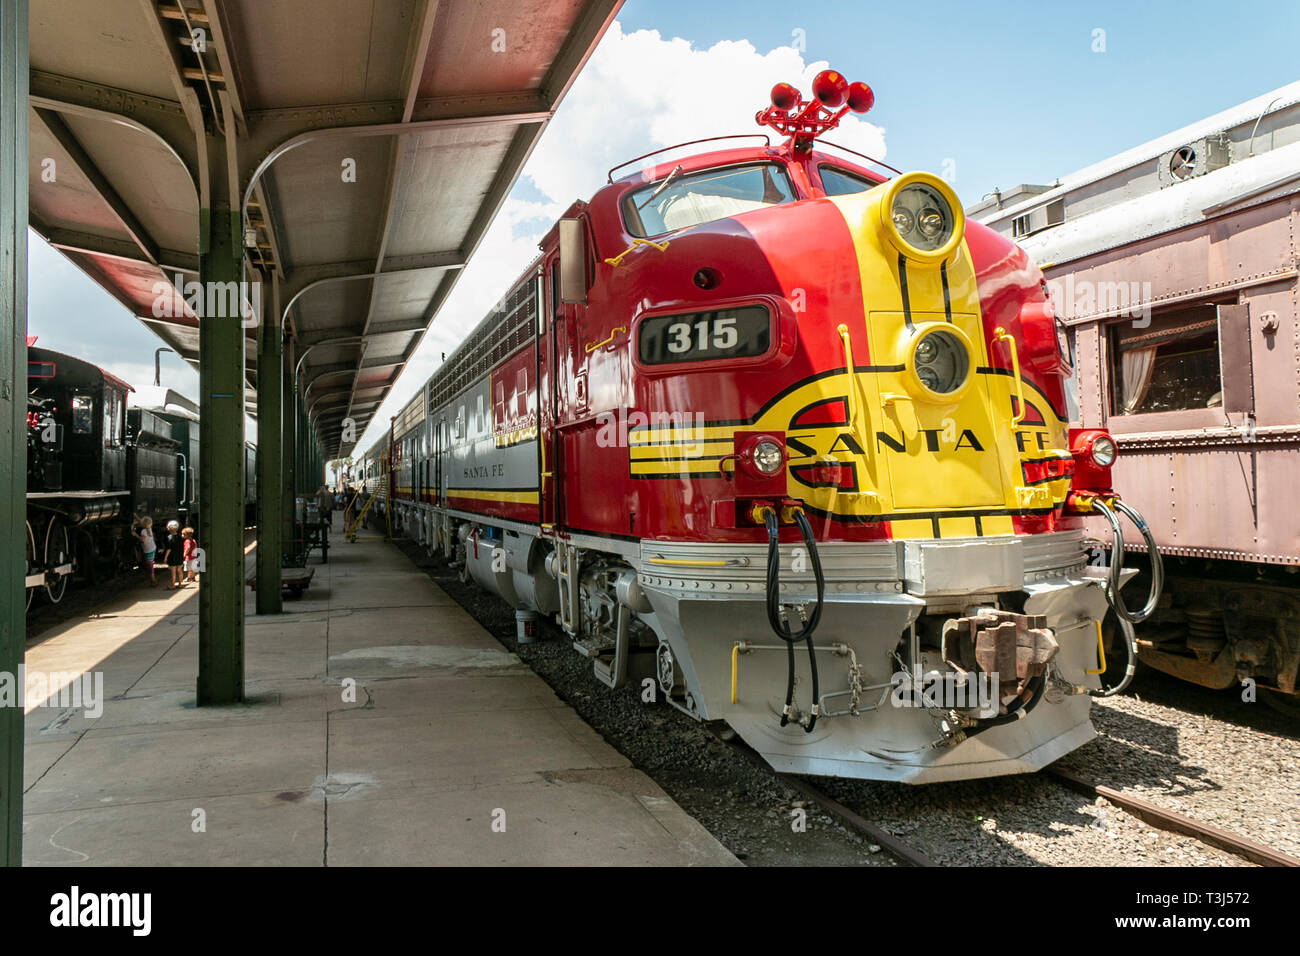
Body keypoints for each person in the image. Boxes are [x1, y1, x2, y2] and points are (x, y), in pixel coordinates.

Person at [162, 519, 184, 590]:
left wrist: (165, 557)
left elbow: (169, 549)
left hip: (172, 556)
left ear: (168, 528)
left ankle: (173, 585)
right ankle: (180, 584)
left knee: (173, 571)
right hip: (179, 555)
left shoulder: (169, 537)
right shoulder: (180, 536)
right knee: (179, 570)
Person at [136, 516, 157, 586]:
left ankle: (153, 581)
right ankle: (153, 580)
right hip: (152, 548)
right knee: (150, 564)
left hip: (148, 550)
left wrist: (135, 535)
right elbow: (142, 522)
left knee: (150, 566)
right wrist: (136, 516)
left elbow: (142, 539)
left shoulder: (143, 531)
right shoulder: (149, 528)